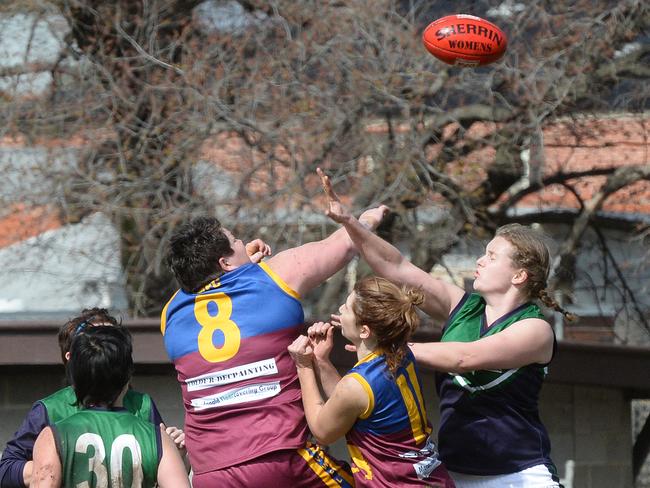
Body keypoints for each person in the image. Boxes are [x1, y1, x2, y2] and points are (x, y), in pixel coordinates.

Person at [319, 169, 566, 488]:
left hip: (519, 474)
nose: (480, 261)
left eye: (492, 256)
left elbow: (464, 357)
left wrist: (389, 348)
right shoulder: (461, 306)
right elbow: (396, 267)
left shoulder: (535, 329)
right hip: (453, 474)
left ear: (519, 276)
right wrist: (350, 223)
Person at [162, 203, 387, 488]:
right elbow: (344, 243)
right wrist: (371, 216)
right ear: (225, 262)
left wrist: (242, 265)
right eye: (236, 240)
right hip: (279, 456)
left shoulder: (170, 313)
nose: (244, 242)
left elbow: (215, 295)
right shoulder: (277, 276)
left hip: (210, 472)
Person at [287, 276, 455, 487]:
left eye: (347, 308)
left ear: (365, 330)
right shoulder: (401, 353)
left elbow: (322, 431)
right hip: (431, 479)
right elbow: (350, 404)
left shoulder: (358, 385)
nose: (340, 309)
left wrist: (303, 366)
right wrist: (321, 360)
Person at [0, 308, 185, 488]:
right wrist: (60, 464)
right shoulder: (50, 411)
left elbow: (165, 475)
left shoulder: (143, 406)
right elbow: (6, 469)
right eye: (99, 343)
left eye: (112, 342)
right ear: (73, 359)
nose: (106, 350)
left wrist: (179, 454)